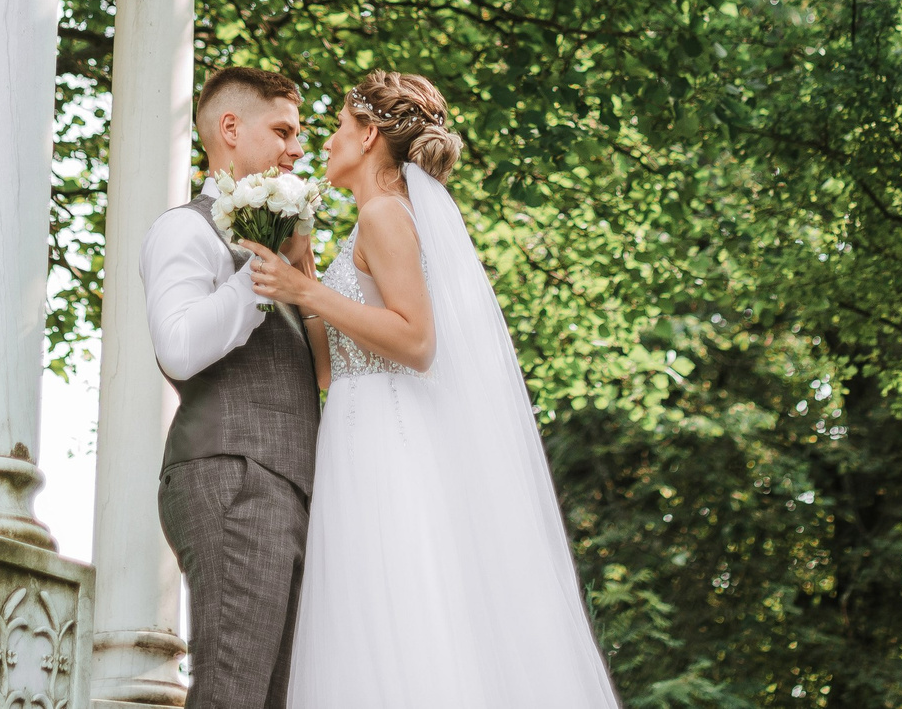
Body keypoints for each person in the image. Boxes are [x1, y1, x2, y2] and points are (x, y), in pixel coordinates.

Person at [240, 72, 621, 708]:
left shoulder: (386, 215)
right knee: (365, 615)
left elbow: (417, 343)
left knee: (394, 608)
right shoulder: (367, 223)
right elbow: (330, 370)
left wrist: (308, 290)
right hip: (357, 435)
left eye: (336, 125)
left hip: (389, 441)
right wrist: (305, 277)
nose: (325, 141)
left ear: (368, 134)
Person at [140, 65, 317, 709]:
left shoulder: (279, 248)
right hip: (234, 474)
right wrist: (259, 276)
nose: (297, 148)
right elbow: (180, 348)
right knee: (231, 693)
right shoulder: (185, 229)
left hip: (289, 485)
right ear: (231, 128)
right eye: (284, 130)